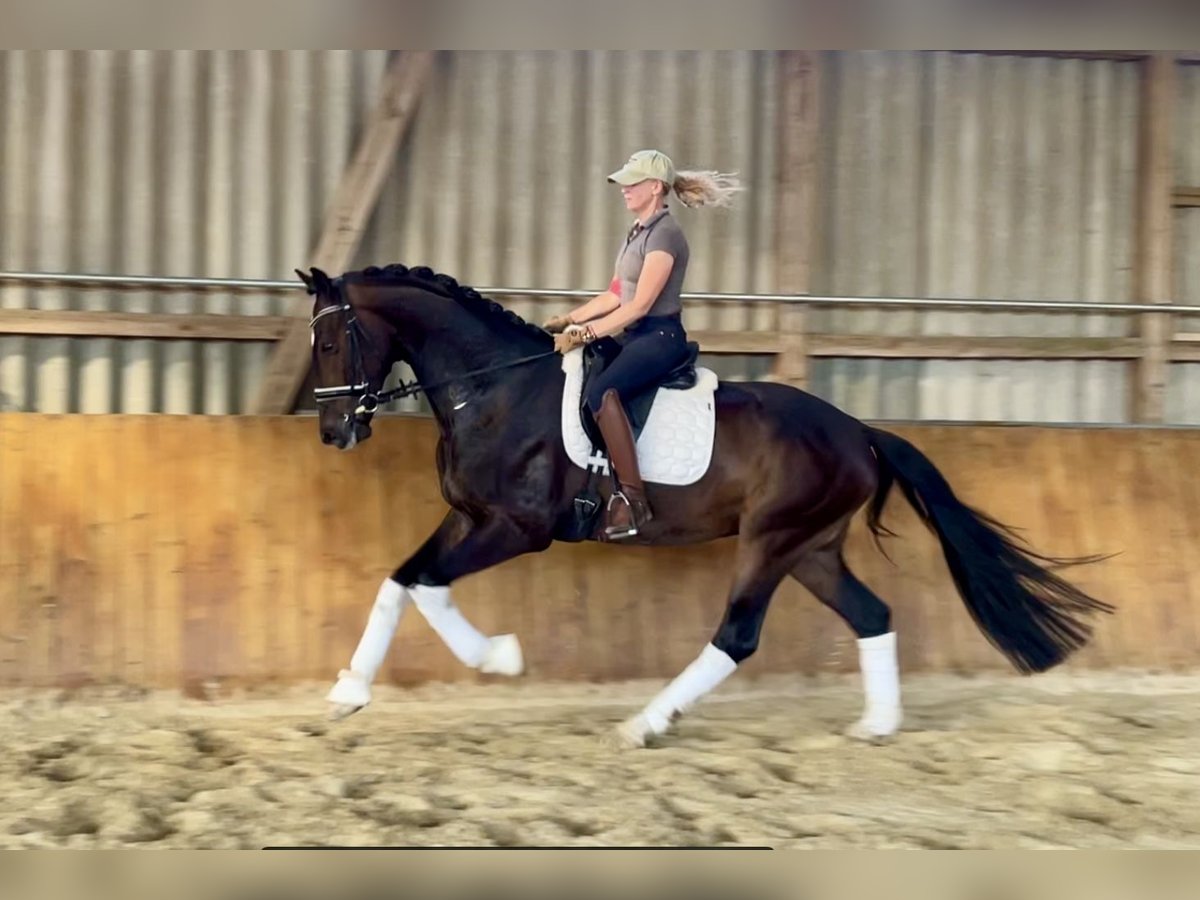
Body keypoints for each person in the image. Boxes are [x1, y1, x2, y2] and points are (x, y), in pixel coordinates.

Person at [546, 149, 742, 541]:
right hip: (634, 333)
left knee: (604, 392)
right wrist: (570, 318)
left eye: (632, 183)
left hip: (659, 336)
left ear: (655, 188)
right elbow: (615, 294)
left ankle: (632, 499)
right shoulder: (637, 232)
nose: (624, 190)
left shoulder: (666, 235)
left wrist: (584, 334)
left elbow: (638, 306)